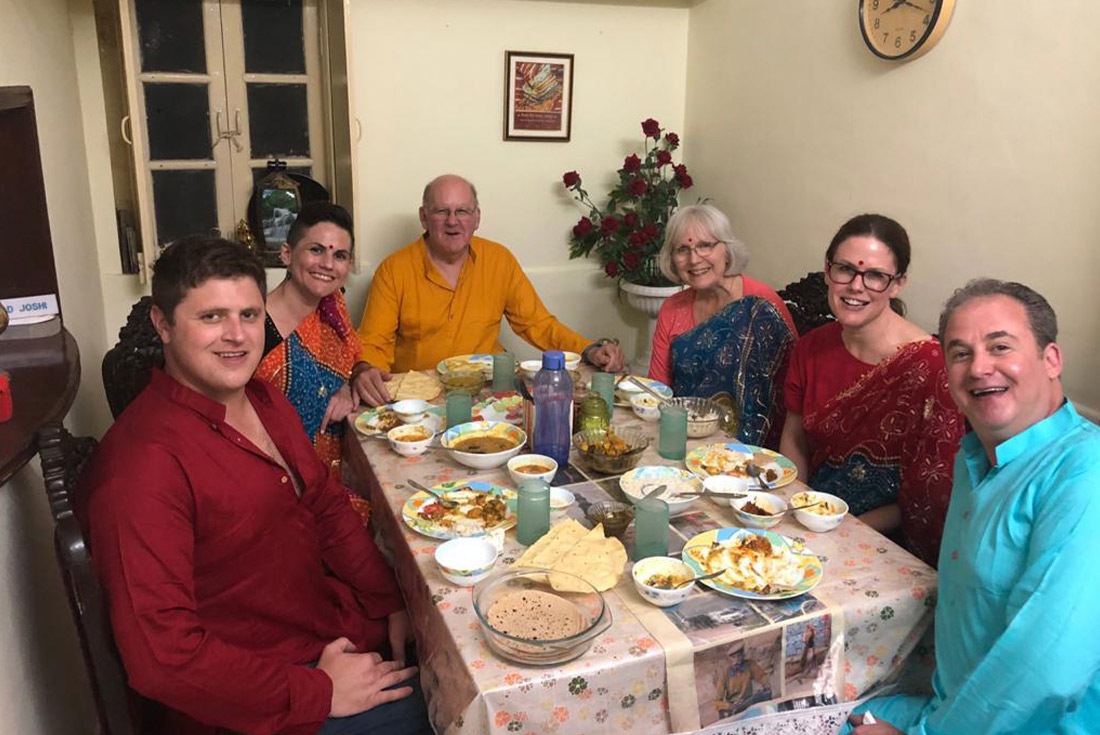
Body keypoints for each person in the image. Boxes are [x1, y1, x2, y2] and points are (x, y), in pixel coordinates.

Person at [78, 236, 431, 735]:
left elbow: (326, 508)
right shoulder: (142, 467)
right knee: (458, 710)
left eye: (248, 315)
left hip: (318, 627)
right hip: (258, 698)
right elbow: (162, 660)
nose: (237, 336)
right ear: (163, 324)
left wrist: (387, 600)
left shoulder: (263, 398)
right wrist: (318, 693)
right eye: (211, 317)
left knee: (462, 638)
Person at [848, 279, 1100, 735]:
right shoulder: (976, 460)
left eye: (1000, 346)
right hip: (947, 708)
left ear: (1051, 360)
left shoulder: (1085, 472)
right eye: (960, 353)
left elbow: (1049, 673)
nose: (979, 367)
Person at [780, 214, 963, 565]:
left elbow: (928, 490)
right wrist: (799, 509)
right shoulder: (811, 348)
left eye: (875, 276)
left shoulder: (930, 367)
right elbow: (795, 438)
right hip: (811, 520)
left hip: (887, 545)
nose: (856, 286)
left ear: (898, 284)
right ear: (827, 272)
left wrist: (845, 530)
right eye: (845, 269)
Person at [354, 174, 625, 406]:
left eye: (462, 211)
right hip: (421, 401)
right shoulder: (393, 270)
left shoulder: (499, 259)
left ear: (477, 218)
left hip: (491, 395)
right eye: (441, 211)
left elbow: (538, 324)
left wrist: (588, 349)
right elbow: (374, 342)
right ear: (424, 218)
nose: (452, 221)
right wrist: (366, 371)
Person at [255, 202, 369, 519]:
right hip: (277, 488)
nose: (328, 264)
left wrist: (348, 388)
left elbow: (352, 362)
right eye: (316, 250)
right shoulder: (255, 330)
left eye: (340, 256)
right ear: (287, 255)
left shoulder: (333, 306)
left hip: (337, 471)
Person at [649, 204, 797, 448]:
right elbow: (658, 391)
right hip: (686, 439)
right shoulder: (672, 310)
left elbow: (793, 389)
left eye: (705, 245)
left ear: (727, 250)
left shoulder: (760, 304)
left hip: (756, 449)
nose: (694, 259)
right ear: (672, 260)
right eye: (682, 249)